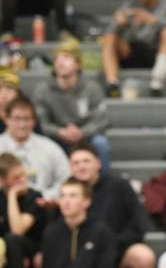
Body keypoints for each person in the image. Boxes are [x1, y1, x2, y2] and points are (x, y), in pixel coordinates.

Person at [68, 142, 155, 268]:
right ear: (70, 167)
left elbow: (139, 223)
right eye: (76, 163)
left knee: (144, 258)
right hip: (80, 253)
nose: (81, 166)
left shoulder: (119, 185)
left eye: (86, 161)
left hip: (117, 250)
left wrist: (111, 244)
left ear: (98, 163)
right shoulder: (66, 191)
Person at [33, 39, 111, 171]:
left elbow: (101, 120)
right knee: (40, 143)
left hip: (85, 137)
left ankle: (100, 182)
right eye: (57, 59)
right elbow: (41, 122)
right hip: (55, 137)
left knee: (100, 143)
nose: (60, 62)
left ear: (78, 64)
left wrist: (82, 132)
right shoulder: (43, 90)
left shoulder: (92, 88)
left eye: (66, 57)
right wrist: (59, 131)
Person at [0, 96, 70, 201]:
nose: (22, 125)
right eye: (17, 119)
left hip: (43, 204)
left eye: (27, 119)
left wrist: (46, 196)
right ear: (6, 119)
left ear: (34, 121)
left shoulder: (50, 147)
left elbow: (66, 179)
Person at [0, 153, 45, 268]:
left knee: (13, 239)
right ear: (2, 180)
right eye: (16, 178)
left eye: (23, 175)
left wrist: (12, 195)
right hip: (4, 251)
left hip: (31, 249)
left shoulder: (34, 196)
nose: (22, 180)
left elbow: (17, 230)